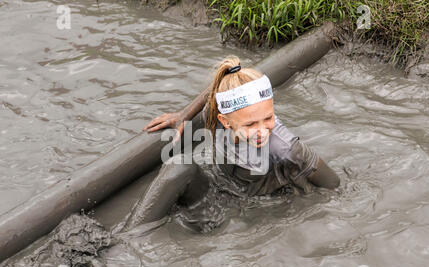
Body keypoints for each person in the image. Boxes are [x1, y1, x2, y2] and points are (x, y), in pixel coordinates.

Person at [120, 55, 340, 233]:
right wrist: (183, 115)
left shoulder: (285, 148)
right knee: (179, 166)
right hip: (217, 186)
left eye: (268, 117)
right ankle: (123, 239)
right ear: (225, 121)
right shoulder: (215, 113)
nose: (263, 130)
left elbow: (333, 184)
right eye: (251, 123)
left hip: (239, 210)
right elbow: (216, 88)